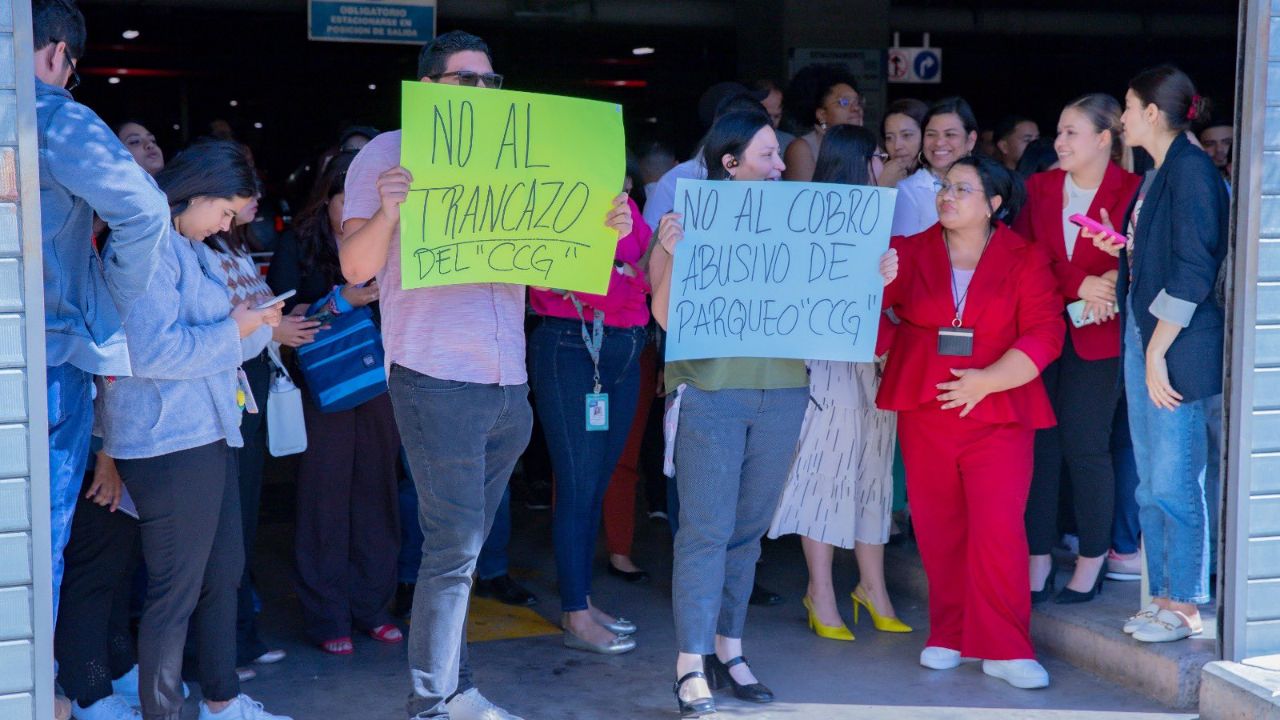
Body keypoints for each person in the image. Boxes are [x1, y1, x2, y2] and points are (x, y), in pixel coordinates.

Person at [337, 30, 632, 719]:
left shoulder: (518, 153)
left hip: (507, 381)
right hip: (435, 372)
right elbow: (355, 270)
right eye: (464, 80)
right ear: (430, 87)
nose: (480, 91)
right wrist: (388, 208)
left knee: (462, 552)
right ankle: (433, 701)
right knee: (454, 548)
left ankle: (456, 686)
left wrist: (603, 229)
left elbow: (557, 265)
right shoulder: (387, 153)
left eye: (489, 81)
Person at [650, 110, 895, 715]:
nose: (783, 164)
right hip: (711, 394)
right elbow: (663, 317)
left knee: (746, 533)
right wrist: (673, 253)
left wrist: (873, 277)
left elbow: (832, 303)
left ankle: (729, 650)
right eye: (767, 155)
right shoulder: (685, 222)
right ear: (730, 164)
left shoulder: (797, 221)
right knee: (706, 533)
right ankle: (690, 664)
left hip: (784, 393)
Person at [97, 139, 289, 720]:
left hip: (206, 432)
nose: (228, 224)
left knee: (223, 573)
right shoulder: (149, 248)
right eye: (226, 211)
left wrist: (259, 325)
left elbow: (220, 339)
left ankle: (223, 701)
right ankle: (165, 711)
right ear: (198, 193)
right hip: (165, 440)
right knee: (174, 594)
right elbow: (154, 351)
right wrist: (238, 329)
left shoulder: (191, 244)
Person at [879, 155, 1063, 690]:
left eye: (962, 189)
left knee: (998, 528)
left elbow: (1045, 334)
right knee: (938, 526)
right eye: (943, 187)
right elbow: (864, 312)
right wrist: (879, 301)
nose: (947, 197)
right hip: (927, 407)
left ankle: (1006, 647)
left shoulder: (1025, 258)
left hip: (1000, 409)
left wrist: (987, 380)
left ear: (994, 204)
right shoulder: (907, 250)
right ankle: (949, 633)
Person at [33, 10, 171, 711]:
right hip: (41, 361)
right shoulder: (54, 117)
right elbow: (144, 213)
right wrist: (105, 299)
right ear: (58, 53)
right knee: (33, 544)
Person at [1087, 65, 1228, 644]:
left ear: (1151, 111)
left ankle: (1186, 603)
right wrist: (1121, 247)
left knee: (1175, 478)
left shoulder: (1191, 171)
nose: (1120, 119)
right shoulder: (1160, 172)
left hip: (1173, 342)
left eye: (1126, 106)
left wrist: (1155, 351)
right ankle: (1162, 595)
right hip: (1150, 337)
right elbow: (1167, 255)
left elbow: (1196, 270)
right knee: (1152, 482)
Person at [767, 124, 911, 641]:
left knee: (873, 473)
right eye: (878, 154)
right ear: (856, 161)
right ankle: (821, 591)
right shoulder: (805, 224)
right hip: (826, 364)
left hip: (875, 364)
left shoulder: (886, 222)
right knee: (823, 478)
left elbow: (897, 304)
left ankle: (873, 588)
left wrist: (888, 283)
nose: (886, 161)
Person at [266, 150, 404, 656]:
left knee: (377, 492)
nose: (360, 209)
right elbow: (277, 317)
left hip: (385, 383)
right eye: (350, 198)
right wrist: (343, 300)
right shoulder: (298, 242)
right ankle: (326, 616)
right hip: (323, 387)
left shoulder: (398, 237)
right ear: (327, 197)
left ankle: (373, 607)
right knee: (324, 497)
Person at [1014, 94, 1142, 606]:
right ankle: (1037, 556)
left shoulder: (1133, 190)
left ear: (1104, 138)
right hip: (1041, 335)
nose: (1059, 142)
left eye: (1070, 132)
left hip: (1099, 339)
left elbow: (1142, 263)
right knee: (1040, 447)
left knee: (1086, 448)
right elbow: (1025, 257)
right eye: (1059, 132)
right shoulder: (1039, 187)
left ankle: (1092, 558)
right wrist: (1083, 281)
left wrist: (1114, 276)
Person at [527, 198, 651, 654]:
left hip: (624, 350)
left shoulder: (626, 205)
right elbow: (538, 273)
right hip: (570, 344)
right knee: (579, 484)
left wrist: (629, 254)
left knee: (596, 482)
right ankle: (575, 611)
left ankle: (581, 601)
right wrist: (616, 260)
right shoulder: (549, 198)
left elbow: (649, 277)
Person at [892, 97, 979, 237]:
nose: (939, 142)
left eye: (950, 134)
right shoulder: (907, 190)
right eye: (931, 134)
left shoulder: (986, 184)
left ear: (970, 140)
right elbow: (902, 252)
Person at [782, 64, 864, 181]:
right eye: (844, 102)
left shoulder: (869, 147)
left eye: (858, 102)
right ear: (822, 114)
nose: (856, 108)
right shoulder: (802, 149)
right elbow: (806, 198)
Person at [878, 98, 928, 189]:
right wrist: (882, 185)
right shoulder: (875, 176)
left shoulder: (940, 182)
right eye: (889, 138)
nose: (897, 146)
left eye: (906, 135)